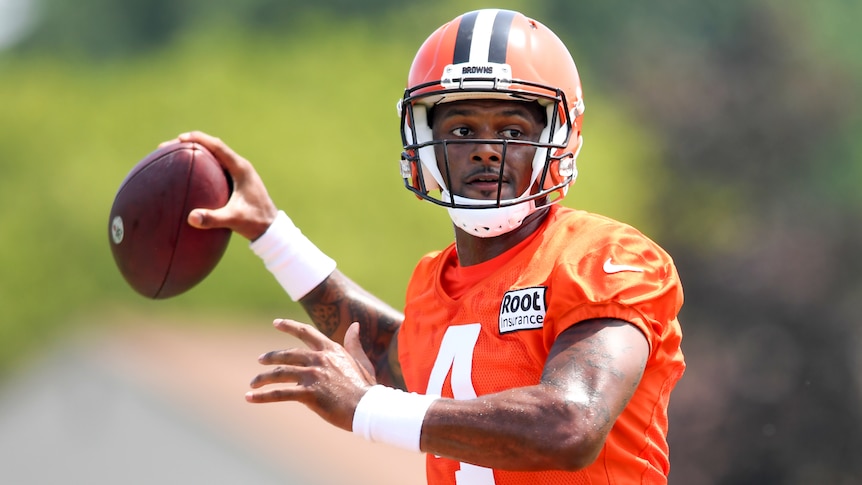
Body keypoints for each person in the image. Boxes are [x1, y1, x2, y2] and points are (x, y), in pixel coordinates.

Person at [164, 8, 685, 484]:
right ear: (424, 145)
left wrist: (366, 408)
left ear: (558, 140)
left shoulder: (605, 256)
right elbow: (400, 360)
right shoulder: (434, 282)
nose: (485, 147)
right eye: (461, 128)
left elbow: (571, 424)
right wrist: (271, 233)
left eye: (512, 129)